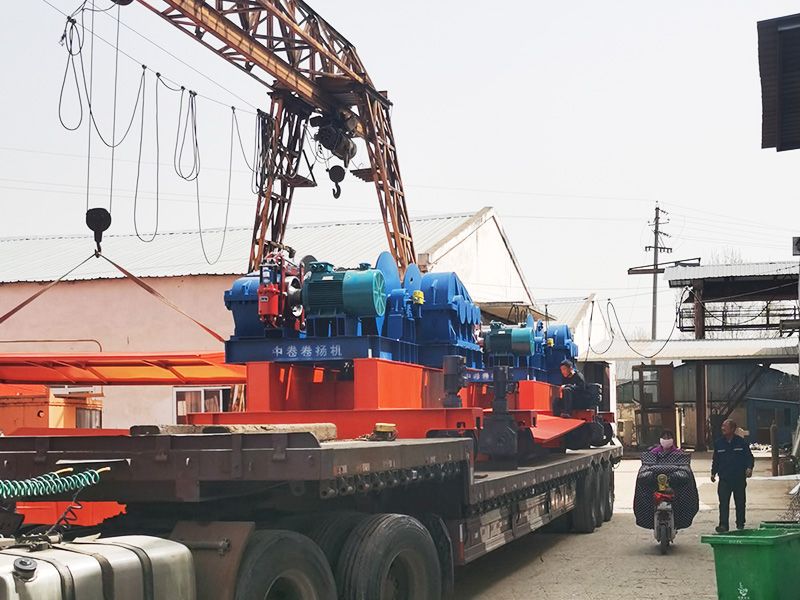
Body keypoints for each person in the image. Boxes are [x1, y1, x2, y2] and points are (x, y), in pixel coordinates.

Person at [711, 419, 754, 532]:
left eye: (725, 426)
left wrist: (749, 468)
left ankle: (740, 524)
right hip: (724, 479)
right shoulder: (719, 443)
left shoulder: (741, 443)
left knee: (740, 502)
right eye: (722, 426)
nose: (722, 428)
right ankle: (723, 525)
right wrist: (713, 473)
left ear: (733, 429)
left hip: (738, 478)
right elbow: (716, 460)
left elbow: (749, 457)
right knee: (723, 503)